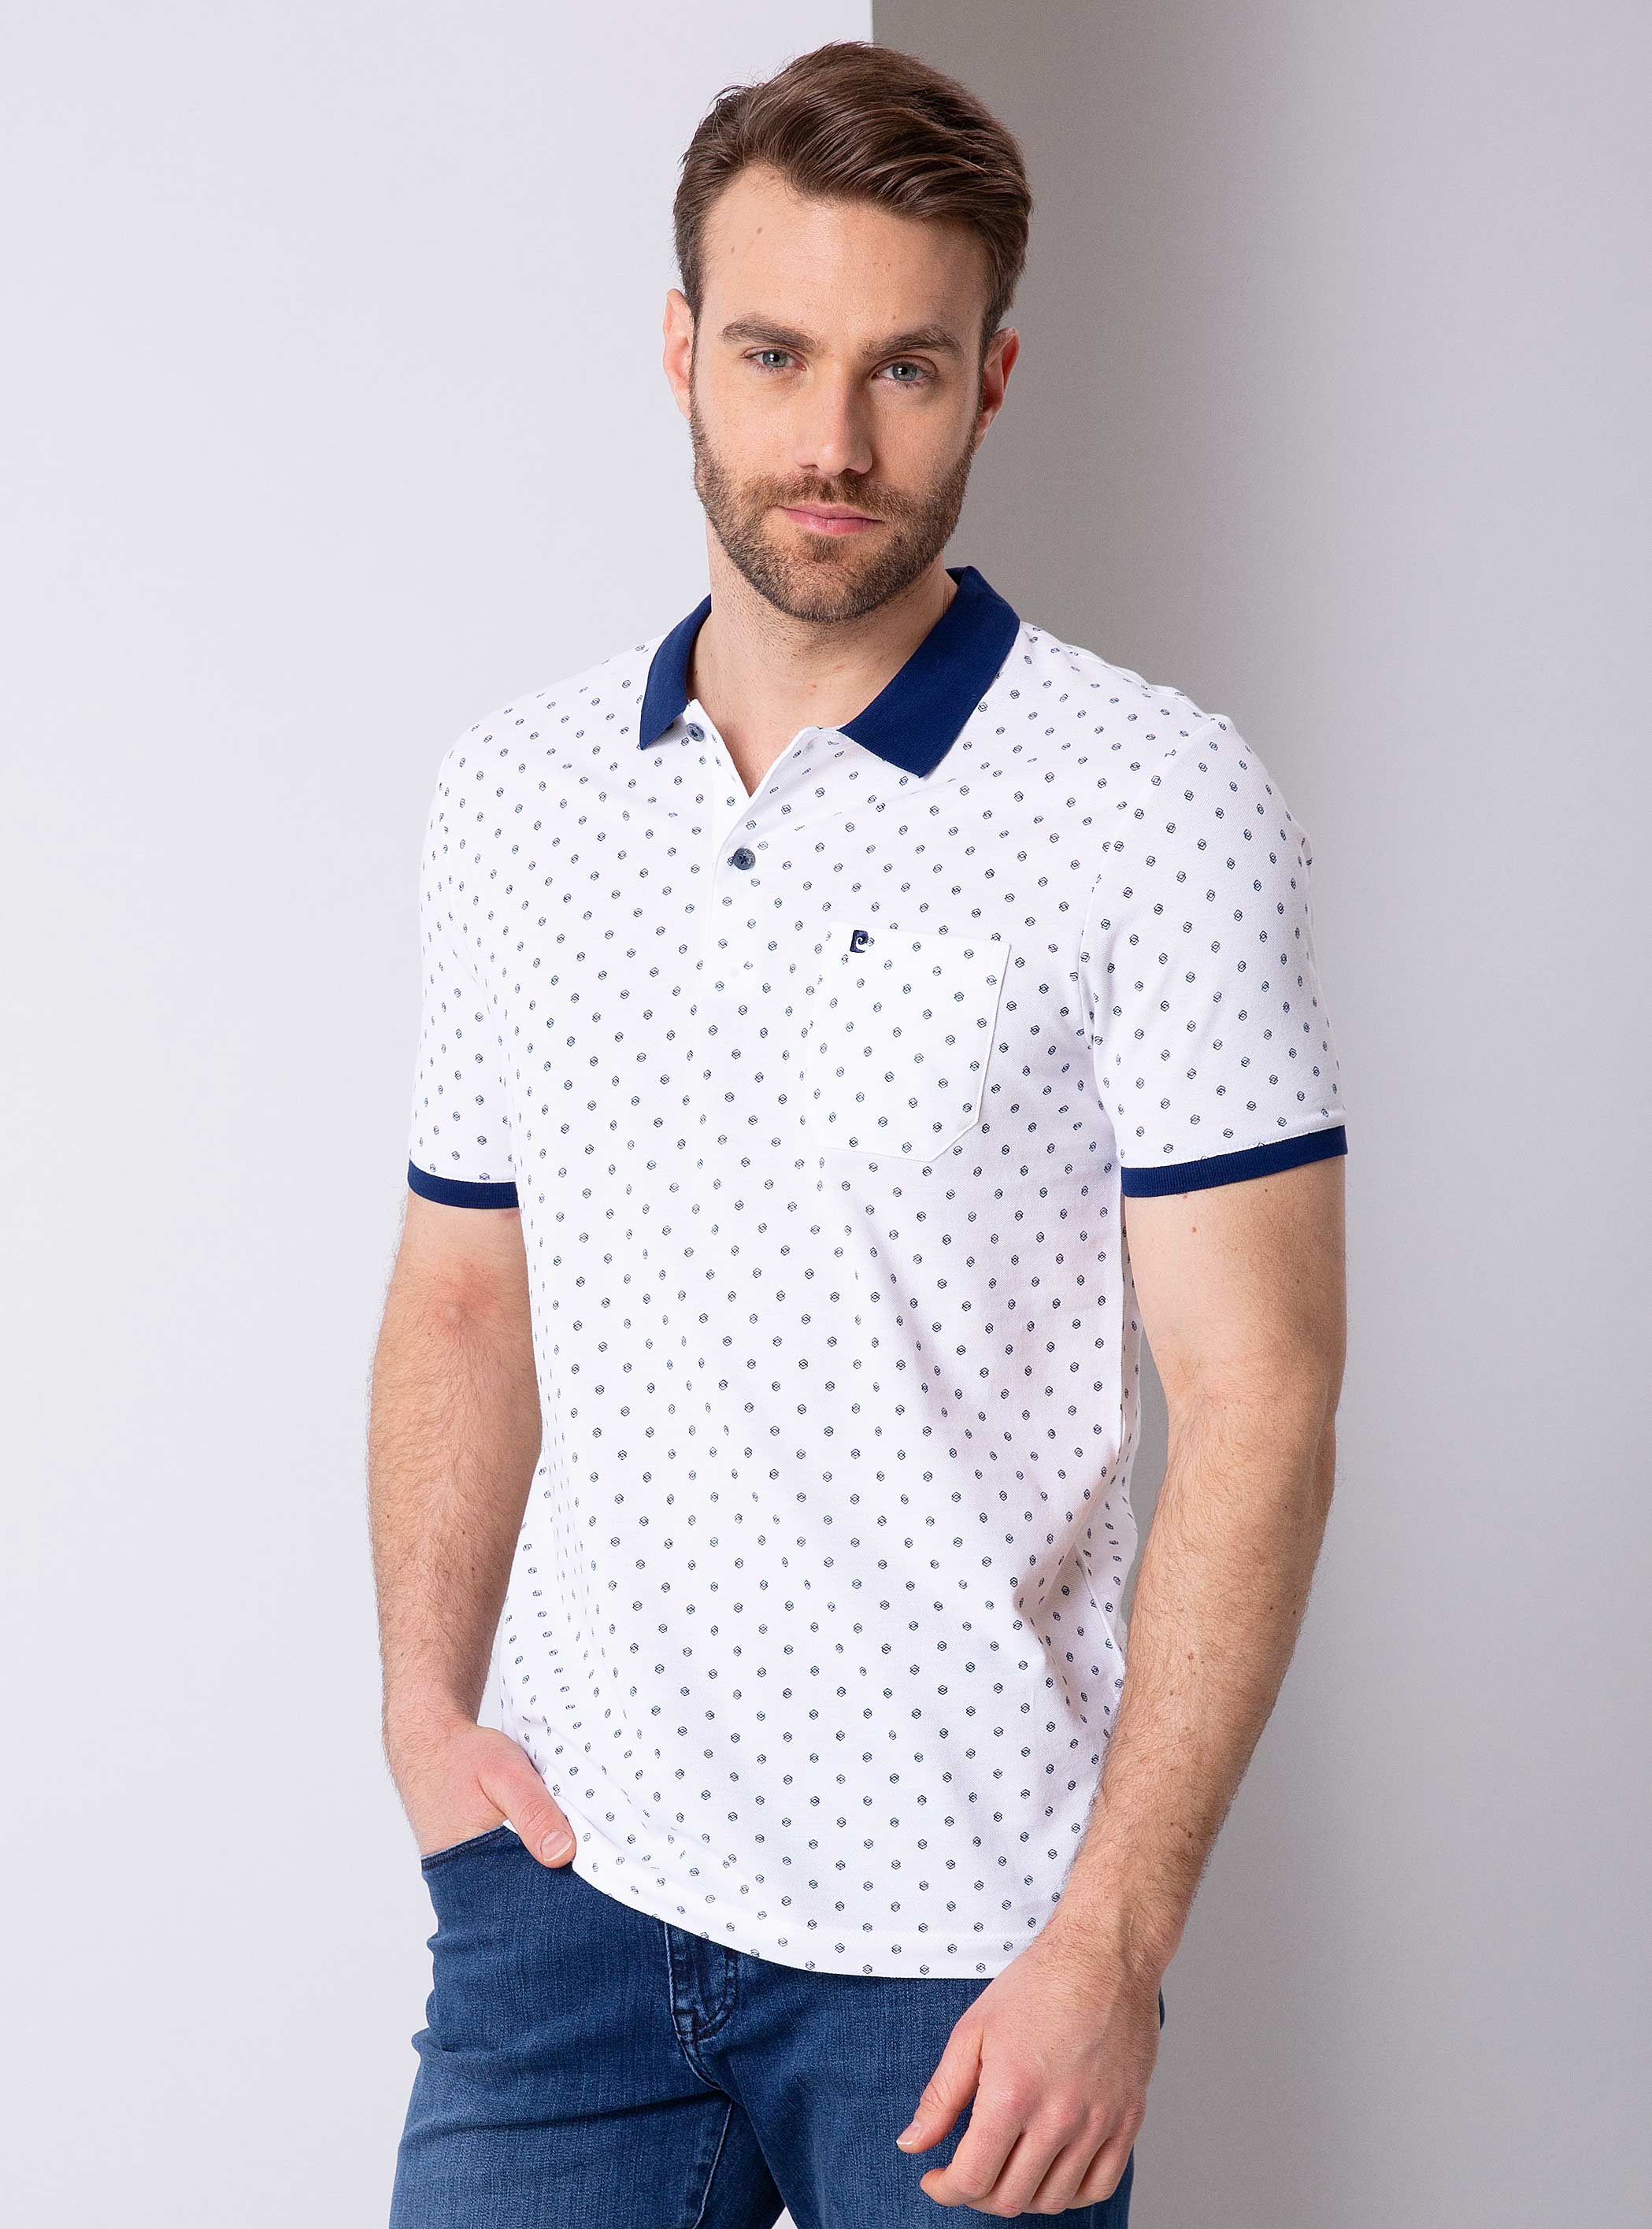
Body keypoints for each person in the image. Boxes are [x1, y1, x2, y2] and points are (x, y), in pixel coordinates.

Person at [369, 37, 1347, 2227]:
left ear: (992, 377)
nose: (831, 441)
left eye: (903, 368)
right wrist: (427, 1723)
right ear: (679, 352)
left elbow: (1260, 1396)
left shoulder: (1153, 802)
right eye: (773, 355)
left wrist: (1111, 1947)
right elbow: (461, 1293)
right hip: (563, 1914)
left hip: (974, 1953)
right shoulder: (515, 801)